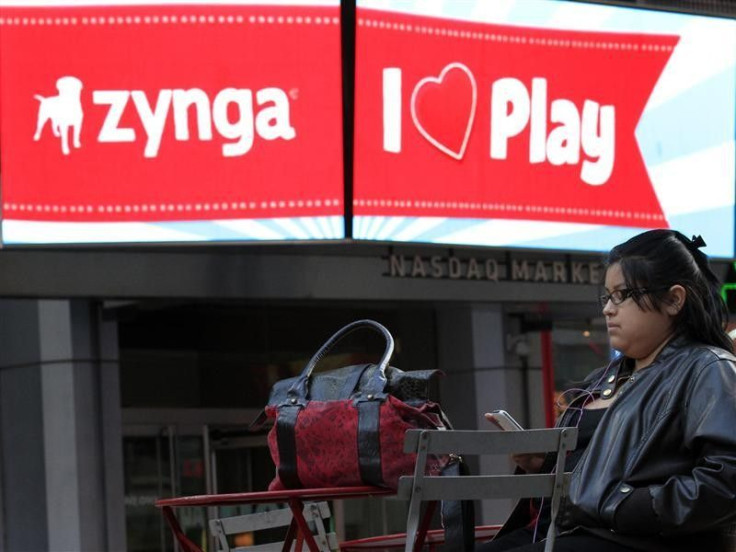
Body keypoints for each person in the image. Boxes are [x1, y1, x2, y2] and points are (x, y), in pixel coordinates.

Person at [479, 229, 736, 552]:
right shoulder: (603, 378)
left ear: (674, 299)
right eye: (606, 296)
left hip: (636, 541)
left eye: (622, 294)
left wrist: (628, 507)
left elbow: (726, 480)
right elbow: (603, 469)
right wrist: (546, 464)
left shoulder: (709, 368)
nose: (608, 309)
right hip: (570, 532)